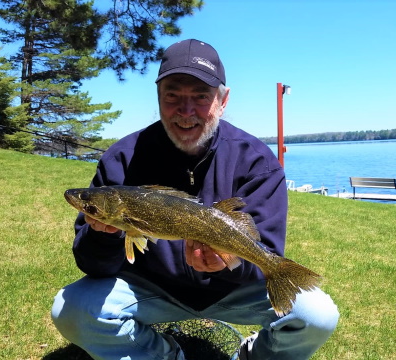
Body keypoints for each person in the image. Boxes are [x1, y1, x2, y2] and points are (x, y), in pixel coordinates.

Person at [51, 39, 339, 360]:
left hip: (235, 291)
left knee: (317, 315)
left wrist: (230, 262)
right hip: (152, 290)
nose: (186, 111)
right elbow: (91, 265)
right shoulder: (121, 158)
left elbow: (267, 251)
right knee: (71, 308)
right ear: (158, 96)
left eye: (201, 97)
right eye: (173, 95)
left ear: (222, 100)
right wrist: (104, 236)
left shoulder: (257, 160)